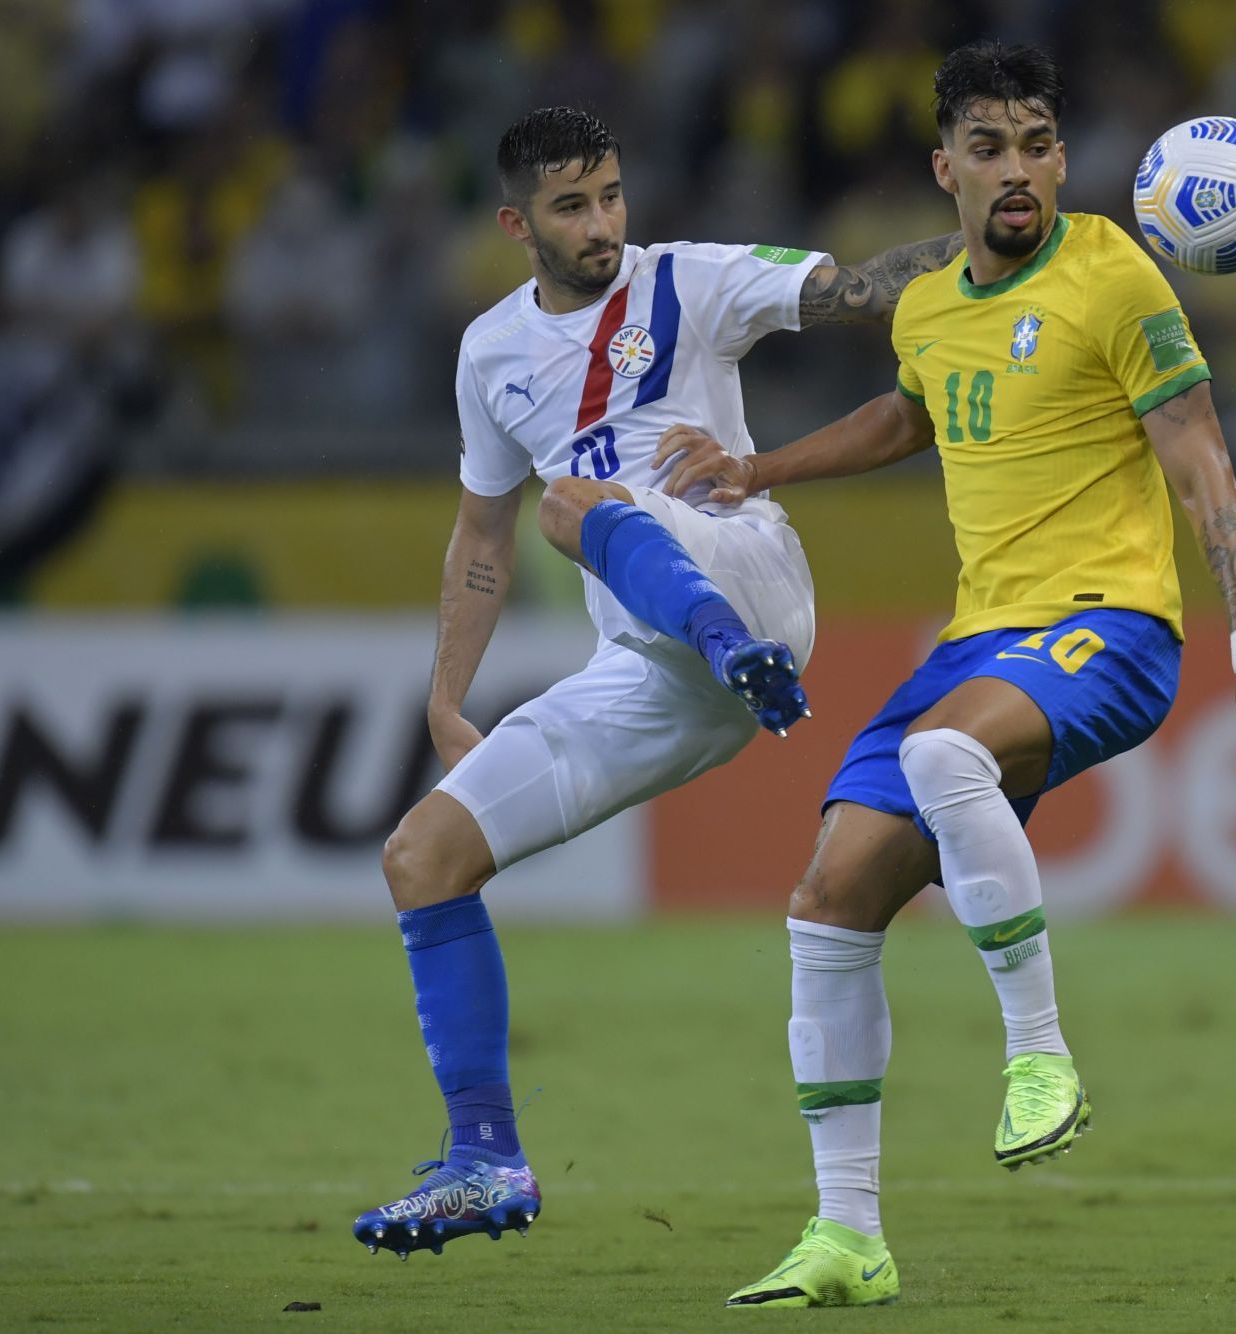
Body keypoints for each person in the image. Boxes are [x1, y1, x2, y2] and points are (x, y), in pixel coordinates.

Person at [657, 42, 1236, 1307]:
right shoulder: (931, 304)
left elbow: (1204, 468)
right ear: (943, 166)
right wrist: (763, 467)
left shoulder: (1116, 273)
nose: (1019, 171)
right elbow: (916, 412)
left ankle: (1040, 1055)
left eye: (1038, 145)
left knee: (943, 754)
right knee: (830, 896)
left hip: (1109, 626)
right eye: (991, 147)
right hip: (980, 637)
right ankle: (848, 1231)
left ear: (1063, 158)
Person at [352, 106, 964, 1261]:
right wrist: (445, 696)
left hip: (751, 582)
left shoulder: (693, 279)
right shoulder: (490, 352)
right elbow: (479, 537)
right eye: (572, 207)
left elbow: (854, 288)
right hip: (648, 662)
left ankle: (735, 649)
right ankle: (485, 1155)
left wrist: (991, 237)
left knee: (576, 504)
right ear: (514, 222)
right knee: (422, 857)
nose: (601, 225)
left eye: (612, 197)